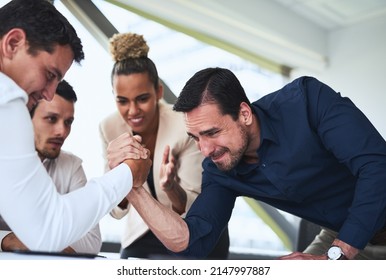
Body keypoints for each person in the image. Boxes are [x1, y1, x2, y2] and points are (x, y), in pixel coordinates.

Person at [125, 67, 386, 260]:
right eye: (195, 138)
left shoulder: (308, 102)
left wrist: (338, 254)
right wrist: (133, 187)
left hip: (354, 231)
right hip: (339, 233)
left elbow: (377, 166)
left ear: (244, 114)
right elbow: (194, 241)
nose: (205, 150)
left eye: (212, 133)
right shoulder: (219, 169)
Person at [0, 0, 151, 252]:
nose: (49, 94)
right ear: (13, 43)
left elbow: (87, 242)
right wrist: (128, 173)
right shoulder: (6, 99)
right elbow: (47, 229)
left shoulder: (70, 165)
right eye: (50, 75)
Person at [99, 33, 229, 259]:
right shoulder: (109, 127)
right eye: (122, 101)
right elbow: (116, 210)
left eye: (142, 98)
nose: (132, 111)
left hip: (189, 227)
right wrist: (117, 175)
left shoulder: (184, 126)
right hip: (142, 231)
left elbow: (195, 207)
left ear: (158, 92)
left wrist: (171, 187)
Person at [0, 80, 102, 254]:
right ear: (25, 116)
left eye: (68, 122)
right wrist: (5, 240)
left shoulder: (72, 166)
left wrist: (33, 241)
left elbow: (92, 241)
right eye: (51, 119)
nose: (62, 131)